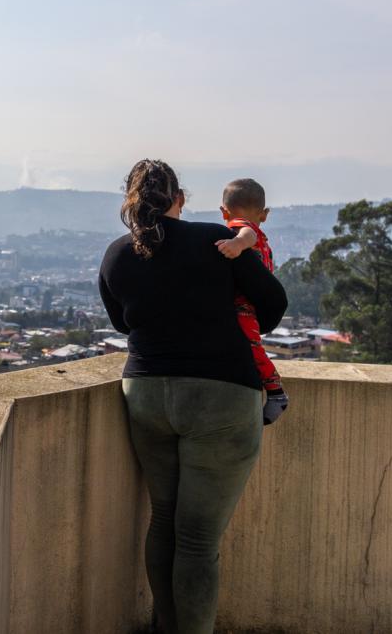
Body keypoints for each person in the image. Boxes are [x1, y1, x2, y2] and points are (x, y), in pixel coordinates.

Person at [98, 159, 288, 634]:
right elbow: (272, 306)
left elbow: (123, 323)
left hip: (146, 394)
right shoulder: (216, 241)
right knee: (199, 539)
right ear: (179, 198)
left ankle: (166, 627)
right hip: (222, 395)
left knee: (163, 521)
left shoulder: (117, 254)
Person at [213, 177, 290, 425]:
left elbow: (246, 233)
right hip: (253, 306)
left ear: (223, 212)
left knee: (252, 347)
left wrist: (236, 244)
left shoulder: (240, 230)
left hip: (243, 308)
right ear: (265, 214)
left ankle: (277, 393)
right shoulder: (263, 237)